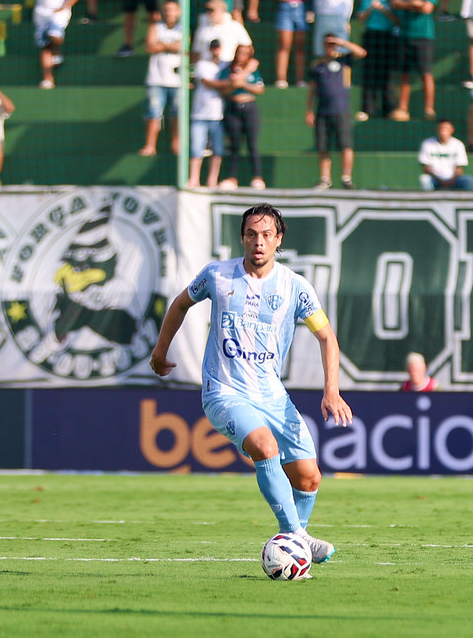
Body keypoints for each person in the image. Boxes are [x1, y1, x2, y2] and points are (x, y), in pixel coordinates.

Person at [149, 203, 353, 567]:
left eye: (267, 235)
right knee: (264, 444)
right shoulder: (217, 275)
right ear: (242, 238)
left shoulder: (295, 287)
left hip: (272, 395)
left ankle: (294, 543)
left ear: (279, 240)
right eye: (251, 235)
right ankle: (297, 538)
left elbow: (327, 338)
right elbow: (180, 305)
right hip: (224, 392)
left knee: (308, 478)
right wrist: (160, 352)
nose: (259, 242)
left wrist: (331, 390)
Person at [306, 33, 367, 189]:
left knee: (345, 145)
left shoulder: (344, 60)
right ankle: (325, 178)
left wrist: (341, 42)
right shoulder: (317, 65)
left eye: (332, 43)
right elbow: (312, 89)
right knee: (323, 146)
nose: (330, 46)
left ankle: (346, 177)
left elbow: (361, 53)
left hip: (341, 109)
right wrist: (309, 110)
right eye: (328, 43)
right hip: (322, 110)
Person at [219, 44, 266, 190]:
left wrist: (244, 84)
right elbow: (223, 90)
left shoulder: (253, 71)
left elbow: (260, 89)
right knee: (234, 145)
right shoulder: (228, 70)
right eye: (239, 53)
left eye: (245, 54)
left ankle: (257, 177)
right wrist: (233, 85)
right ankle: (232, 178)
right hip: (233, 109)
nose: (241, 56)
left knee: (252, 144)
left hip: (249, 109)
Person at [139, 0, 182, 157]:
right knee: (153, 112)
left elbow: (183, 47)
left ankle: (176, 144)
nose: (170, 13)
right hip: (155, 80)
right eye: (167, 10)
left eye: (173, 10)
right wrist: (171, 45)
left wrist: (162, 44)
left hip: (177, 81)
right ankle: (150, 146)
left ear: (179, 12)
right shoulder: (155, 27)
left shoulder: (183, 29)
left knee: (176, 113)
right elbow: (150, 46)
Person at [389, 0, 438, 121]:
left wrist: (406, 5)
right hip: (404, 36)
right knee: (404, 74)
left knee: (426, 74)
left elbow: (427, 9)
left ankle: (429, 109)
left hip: (424, 37)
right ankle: (403, 108)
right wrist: (413, 4)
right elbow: (395, 3)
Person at [187, 39, 226, 189]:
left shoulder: (226, 65)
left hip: (219, 115)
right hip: (199, 114)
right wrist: (229, 84)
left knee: (218, 149)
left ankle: (212, 181)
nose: (216, 51)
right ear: (210, 50)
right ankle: (194, 179)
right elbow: (207, 82)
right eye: (213, 48)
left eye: (218, 48)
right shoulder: (202, 64)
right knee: (196, 148)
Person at [356, 0, 399, 119]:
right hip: (371, 36)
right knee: (370, 74)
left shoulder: (393, 0)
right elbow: (361, 18)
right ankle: (368, 109)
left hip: (388, 37)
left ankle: (389, 109)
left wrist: (384, 10)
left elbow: (397, 20)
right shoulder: (367, 0)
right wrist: (370, 8)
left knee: (387, 75)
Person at [34, 0, 82, 89]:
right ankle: (48, 79)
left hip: (59, 12)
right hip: (41, 14)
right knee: (45, 46)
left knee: (54, 34)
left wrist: (65, 6)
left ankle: (56, 51)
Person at [418, 118, 473, 190]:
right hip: (435, 179)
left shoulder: (458, 144)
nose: (443, 131)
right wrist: (440, 180)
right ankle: (428, 200)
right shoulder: (427, 144)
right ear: (437, 129)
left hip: (454, 179)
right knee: (424, 179)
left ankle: (467, 201)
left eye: (446, 129)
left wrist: (451, 180)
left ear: (452, 130)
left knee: (470, 180)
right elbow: (426, 168)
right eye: (441, 129)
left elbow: (459, 168)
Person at [191, 0, 253, 64]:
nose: (210, 13)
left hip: (228, 68)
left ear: (222, 11)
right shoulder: (202, 28)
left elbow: (248, 48)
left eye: (212, 10)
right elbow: (196, 52)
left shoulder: (235, 26)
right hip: (207, 67)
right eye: (208, 10)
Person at [275, 0, 310, 89]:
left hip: (302, 9)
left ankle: (300, 80)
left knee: (300, 46)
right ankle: (281, 79)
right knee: (284, 45)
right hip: (285, 9)